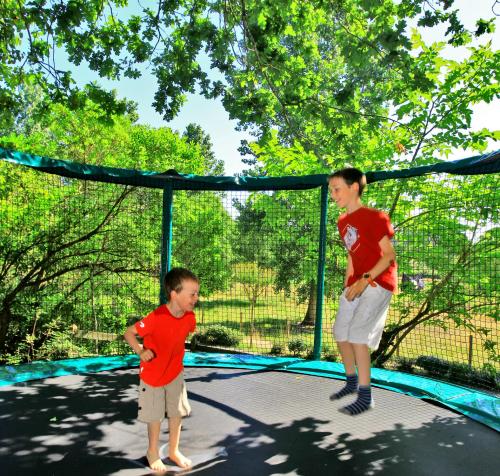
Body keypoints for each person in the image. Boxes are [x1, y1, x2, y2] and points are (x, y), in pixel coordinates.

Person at [328, 168, 397, 415]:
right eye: (330, 190)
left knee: (357, 335)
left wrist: (363, 281)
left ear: (354, 187)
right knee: (340, 332)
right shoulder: (342, 221)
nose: (332, 194)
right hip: (356, 282)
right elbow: (351, 253)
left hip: (379, 282)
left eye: (336, 189)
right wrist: (349, 282)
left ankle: (366, 397)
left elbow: (389, 256)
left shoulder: (376, 217)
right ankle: (351, 383)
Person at [124, 267, 199, 472]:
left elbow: (186, 330)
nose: (196, 298)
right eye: (192, 294)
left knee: (176, 413)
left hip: (174, 373)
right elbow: (129, 333)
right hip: (152, 376)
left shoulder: (189, 317)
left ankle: (173, 450)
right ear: (174, 294)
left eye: (197, 293)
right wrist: (140, 351)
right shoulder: (155, 318)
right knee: (155, 416)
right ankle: (152, 452)